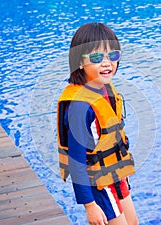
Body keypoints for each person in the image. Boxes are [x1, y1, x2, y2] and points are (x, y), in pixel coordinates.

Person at [57, 22, 139, 225]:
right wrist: (90, 205)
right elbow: (76, 161)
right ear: (79, 61)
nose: (107, 63)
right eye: (96, 57)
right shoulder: (80, 107)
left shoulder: (105, 89)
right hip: (99, 184)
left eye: (112, 56)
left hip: (115, 174)